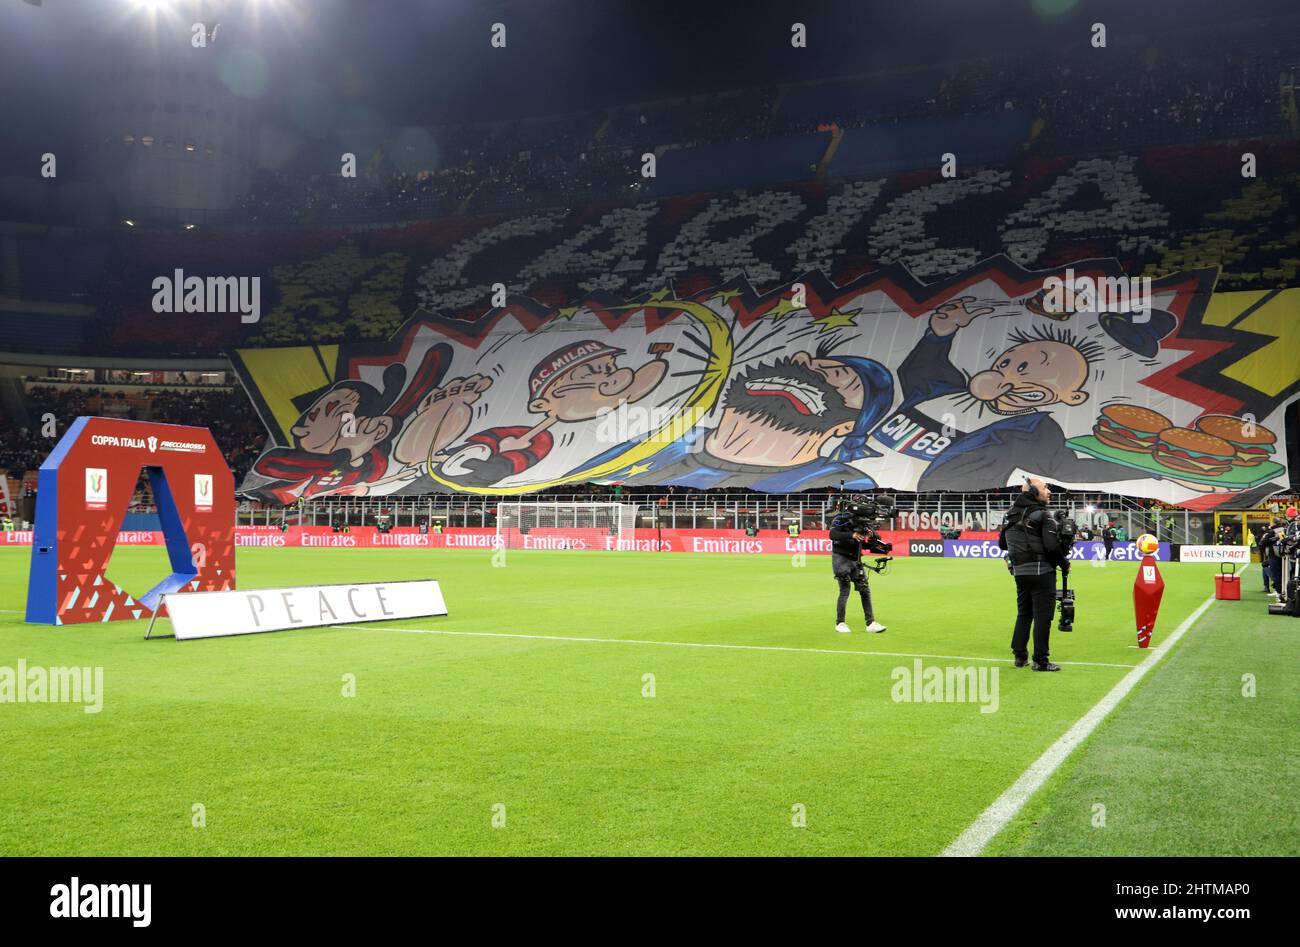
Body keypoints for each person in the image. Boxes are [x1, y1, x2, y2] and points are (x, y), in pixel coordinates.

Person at [998, 478, 1068, 672]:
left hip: (1020, 572)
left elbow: (1002, 545)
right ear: (1034, 492)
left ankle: (1020, 656)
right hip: (1041, 572)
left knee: (1024, 613)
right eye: (1045, 488)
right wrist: (1065, 563)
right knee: (1043, 617)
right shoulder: (1042, 514)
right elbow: (1052, 547)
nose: (1049, 491)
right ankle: (1041, 660)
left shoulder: (1011, 515)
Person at [828, 504, 889, 634]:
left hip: (856, 559)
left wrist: (873, 537)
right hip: (841, 559)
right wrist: (852, 534)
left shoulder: (863, 523)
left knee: (865, 591)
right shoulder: (841, 519)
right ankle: (840, 623)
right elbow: (833, 534)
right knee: (845, 591)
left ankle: (871, 622)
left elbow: (866, 541)